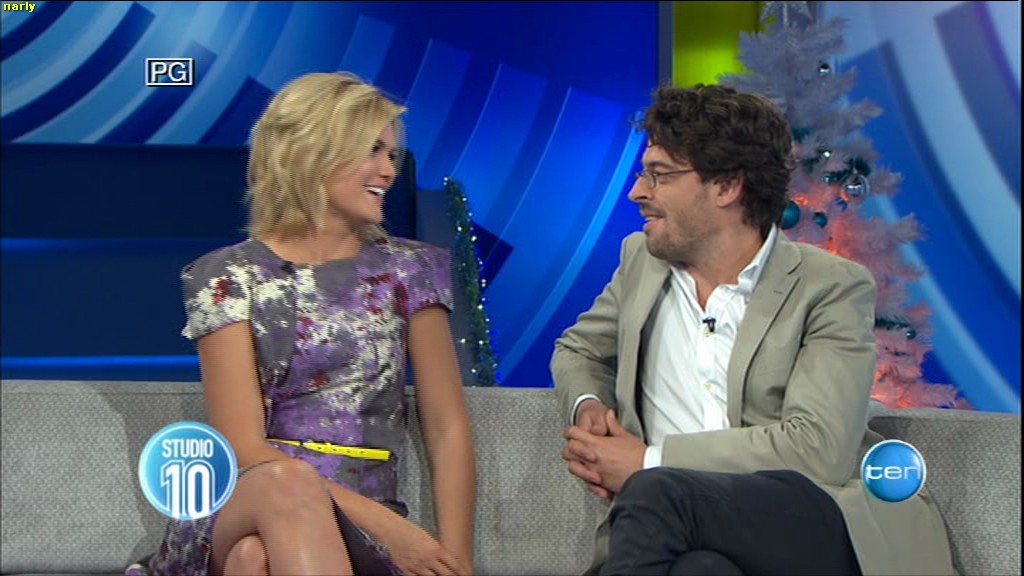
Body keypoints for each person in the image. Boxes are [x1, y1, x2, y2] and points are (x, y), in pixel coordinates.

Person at [551, 84, 954, 575]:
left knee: (658, 490)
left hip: (807, 521)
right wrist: (588, 405)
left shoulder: (829, 286)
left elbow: (818, 450)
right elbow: (579, 350)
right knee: (700, 570)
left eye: (660, 175)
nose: (637, 192)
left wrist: (649, 460)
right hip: (683, 532)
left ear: (726, 187)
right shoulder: (641, 262)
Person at [128, 71, 476, 576]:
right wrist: (390, 529)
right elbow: (245, 448)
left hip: (358, 516)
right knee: (286, 485)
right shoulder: (227, 278)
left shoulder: (410, 270)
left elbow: (447, 427)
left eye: (392, 154)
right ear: (313, 153)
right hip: (252, 493)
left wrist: (456, 560)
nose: (388, 171)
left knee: (253, 560)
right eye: (372, 150)